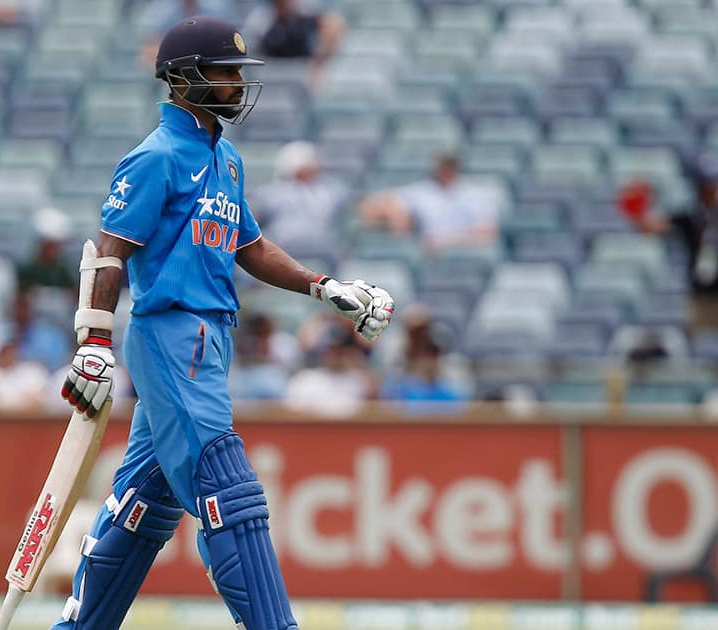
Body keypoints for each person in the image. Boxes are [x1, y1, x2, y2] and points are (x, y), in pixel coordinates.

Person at [50, 16, 395, 630]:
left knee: (144, 505)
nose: (238, 83)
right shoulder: (153, 158)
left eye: (240, 72)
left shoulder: (226, 159)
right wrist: (94, 342)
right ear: (183, 79)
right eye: (225, 72)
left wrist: (325, 286)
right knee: (228, 491)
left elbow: (251, 248)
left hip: (211, 339)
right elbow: (110, 249)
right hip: (171, 334)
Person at [630, 154, 718, 328]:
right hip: (700, 296)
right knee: (698, 343)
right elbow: (651, 227)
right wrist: (636, 208)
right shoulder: (690, 217)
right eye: (707, 185)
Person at [360, 153, 501, 253]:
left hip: (464, 252)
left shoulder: (474, 196)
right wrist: (396, 216)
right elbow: (377, 203)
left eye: (449, 167)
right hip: (428, 253)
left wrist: (446, 242)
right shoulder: (423, 191)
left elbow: (488, 233)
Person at [251, 140, 348, 267]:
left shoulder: (331, 190)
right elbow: (253, 217)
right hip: (281, 246)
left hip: (323, 248)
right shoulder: (271, 192)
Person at [242, 0, 346, 87]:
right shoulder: (262, 18)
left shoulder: (305, 11)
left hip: (303, 74)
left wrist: (318, 65)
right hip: (271, 76)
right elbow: (250, 51)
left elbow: (335, 25)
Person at [283, 322, 375, 418]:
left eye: (339, 350)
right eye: (330, 350)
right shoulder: (305, 379)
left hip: (348, 431)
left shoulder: (359, 381)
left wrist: (358, 364)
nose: (334, 355)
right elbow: (289, 414)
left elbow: (375, 410)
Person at [137, 0, 238, 69]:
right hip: (174, 61)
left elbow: (224, 40)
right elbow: (151, 44)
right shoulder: (162, 10)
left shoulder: (216, 9)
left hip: (207, 59)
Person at [0, 325, 51, 412]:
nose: (8, 354)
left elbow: (38, 403)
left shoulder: (33, 371)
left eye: (11, 348)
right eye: (4, 350)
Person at [16, 208, 79, 292]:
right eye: (51, 246)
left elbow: (75, 295)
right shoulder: (27, 271)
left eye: (57, 246)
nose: (55, 250)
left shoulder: (64, 270)